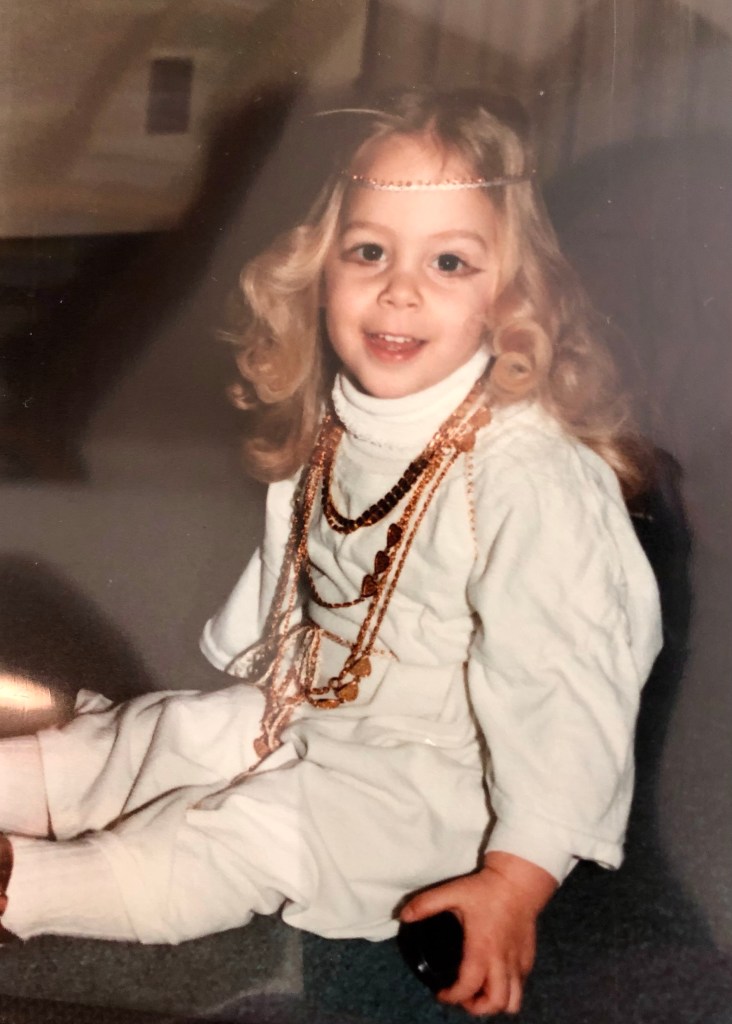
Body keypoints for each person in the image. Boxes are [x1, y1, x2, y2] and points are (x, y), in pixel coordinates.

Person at [0, 89, 661, 1018]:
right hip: (320, 705)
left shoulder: (528, 475)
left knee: (250, 832)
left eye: (449, 261)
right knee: (173, 733)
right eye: (369, 251)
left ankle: (27, 888)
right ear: (318, 269)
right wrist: (268, 683)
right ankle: (24, 784)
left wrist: (517, 877)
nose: (400, 288)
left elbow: (562, 688)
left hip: (436, 780)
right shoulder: (352, 418)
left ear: (510, 295)